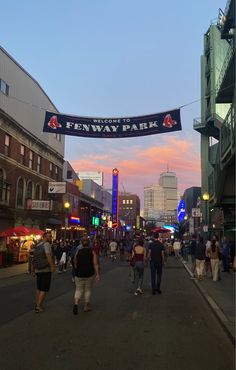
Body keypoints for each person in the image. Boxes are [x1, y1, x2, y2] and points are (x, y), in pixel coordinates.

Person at [73, 236, 100, 315]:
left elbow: (75, 262)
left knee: (78, 289)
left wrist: (76, 269)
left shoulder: (78, 251)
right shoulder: (92, 252)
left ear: (81, 243)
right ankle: (86, 306)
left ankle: (76, 304)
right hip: (89, 272)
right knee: (87, 290)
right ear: (89, 243)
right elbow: (95, 264)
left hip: (79, 273)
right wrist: (97, 274)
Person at [33, 232, 55, 313]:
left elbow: (34, 258)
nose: (51, 238)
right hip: (45, 269)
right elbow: (48, 256)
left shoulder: (38, 245)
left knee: (38, 288)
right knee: (44, 288)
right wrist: (52, 266)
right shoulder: (47, 245)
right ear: (45, 237)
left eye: (51, 236)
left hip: (38, 269)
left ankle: (37, 303)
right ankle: (38, 306)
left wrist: (33, 268)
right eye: (49, 236)